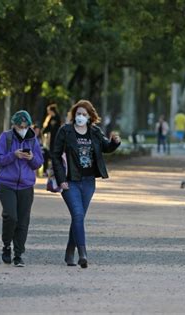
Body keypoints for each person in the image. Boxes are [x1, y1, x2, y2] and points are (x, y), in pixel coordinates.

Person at [52, 100, 121, 268]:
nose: (80, 117)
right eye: (78, 114)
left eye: (84, 114)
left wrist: (114, 142)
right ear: (74, 115)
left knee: (79, 217)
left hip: (89, 182)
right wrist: (61, 180)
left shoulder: (95, 132)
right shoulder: (65, 131)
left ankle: (70, 251)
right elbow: (55, 155)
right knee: (77, 214)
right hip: (70, 181)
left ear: (90, 116)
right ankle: (82, 254)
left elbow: (106, 147)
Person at [0, 110, 44, 267]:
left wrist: (31, 158)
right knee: (11, 216)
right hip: (6, 184)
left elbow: (39, 162)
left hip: (26, 186)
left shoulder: (32, 140)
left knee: (23, 221)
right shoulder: (6, 137)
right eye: (19, 126)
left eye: (25, 126)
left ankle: (18, 254)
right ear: (14, 125)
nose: (22, 129)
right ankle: (6, 246)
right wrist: (13, 155)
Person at [42, 104, 61, 172]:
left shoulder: (57, 118)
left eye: (48, 110)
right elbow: (48, 127)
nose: (48, 112)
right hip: (50, 138)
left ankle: (54, 168)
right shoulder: (50, 118)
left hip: (56, 138)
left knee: (53, 153)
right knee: (49, 152)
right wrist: (43, 131)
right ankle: (47, 169)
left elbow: (57, 128)